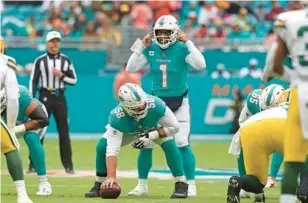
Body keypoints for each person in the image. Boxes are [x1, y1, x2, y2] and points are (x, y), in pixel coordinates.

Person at [126, 14, 206, 197]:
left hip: (179, 102)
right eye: (159, 32)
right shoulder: (151, 48)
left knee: (181, 142)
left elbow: (201, 65)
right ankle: (142, 185)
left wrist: (189, 42)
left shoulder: (181, 48)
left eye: (166, 32)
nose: (162, 36)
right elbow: (130, 68)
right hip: (156, 104)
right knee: (146, 142)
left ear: (175, 32)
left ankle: (190, 184)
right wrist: (141, 45)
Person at [85, 83, 188, 198]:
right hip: (129, 131)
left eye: (144, 104)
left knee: (169, 144)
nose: (143, 108)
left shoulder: (156, 104)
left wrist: (151, 135)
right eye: (137, 107)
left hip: (153, 127)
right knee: (101, 147)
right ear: (126, 107)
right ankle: (99, 184)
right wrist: (112, 177)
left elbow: (174, 127)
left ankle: (181, 184)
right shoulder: (117, 117)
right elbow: (112, 150)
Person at [261, 8, 308, 203]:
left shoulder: (290, 20)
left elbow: (273, 66)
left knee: (293, 159)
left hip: (301, 92)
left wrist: (295, 78)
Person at [29, 31, 77, 174]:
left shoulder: (66, 60)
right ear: (47, 43)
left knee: (64, 132)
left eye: (57, 41)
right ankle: (33, 164)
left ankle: (68, 166)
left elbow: (74, 80)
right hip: (44, 96)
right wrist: (32, 99)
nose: (54, 44)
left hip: (60, 97)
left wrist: (61, 76)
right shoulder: (40, 60)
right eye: (52, 41)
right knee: (39, 131)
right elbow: (33, 81)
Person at [227, 106, 288, 203]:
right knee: (300, 161)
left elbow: (242, 139)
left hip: (251, 127)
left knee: (257, 180)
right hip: (282, 124)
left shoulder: (251, 106)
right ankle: (303, 191)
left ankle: (238, 181)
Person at [1, 85, 52, 196]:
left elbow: (42, 119)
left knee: (31, 138)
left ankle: (44, 183)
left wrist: (16, 129)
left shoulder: (20, 96)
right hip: (9, 124)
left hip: (30, 120)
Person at [0, 36, 33, 203]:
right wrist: (11, 126)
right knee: (10, 147)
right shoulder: (5, 63)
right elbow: (13, 97)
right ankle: (22, 195)